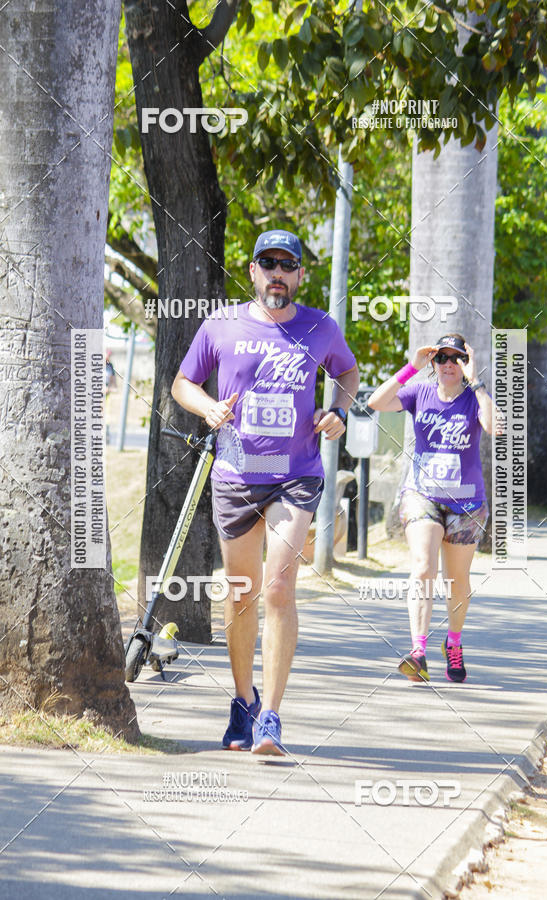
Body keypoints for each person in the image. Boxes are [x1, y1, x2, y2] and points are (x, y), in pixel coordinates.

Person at [171, 229, 359, 754]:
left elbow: (346, 369)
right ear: (252, 271)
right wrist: (206, 406)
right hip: (235, 475)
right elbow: (182, 382)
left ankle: (272, 716)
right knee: (240, 592)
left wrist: (337, 411)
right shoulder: (222, 325)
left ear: (300, 275)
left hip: (295, 472)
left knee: (277, 588)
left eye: (287, 264)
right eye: (268, 263)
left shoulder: (319, 326)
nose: (277, 272)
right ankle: (243, 701)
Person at [368, 334, 494, 683]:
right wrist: (412, 366)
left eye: (456, 358)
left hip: (467, 503)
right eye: (442, 358)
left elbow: (495, 426)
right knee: (423, 567)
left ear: (465, 362)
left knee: (457, 580)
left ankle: (453, 642)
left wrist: (476, 380)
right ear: (434, 364)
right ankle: (418, 651)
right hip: (422, 495)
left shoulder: (473, 398)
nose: (449, 364)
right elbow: (377, 402)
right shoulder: (419, 393)